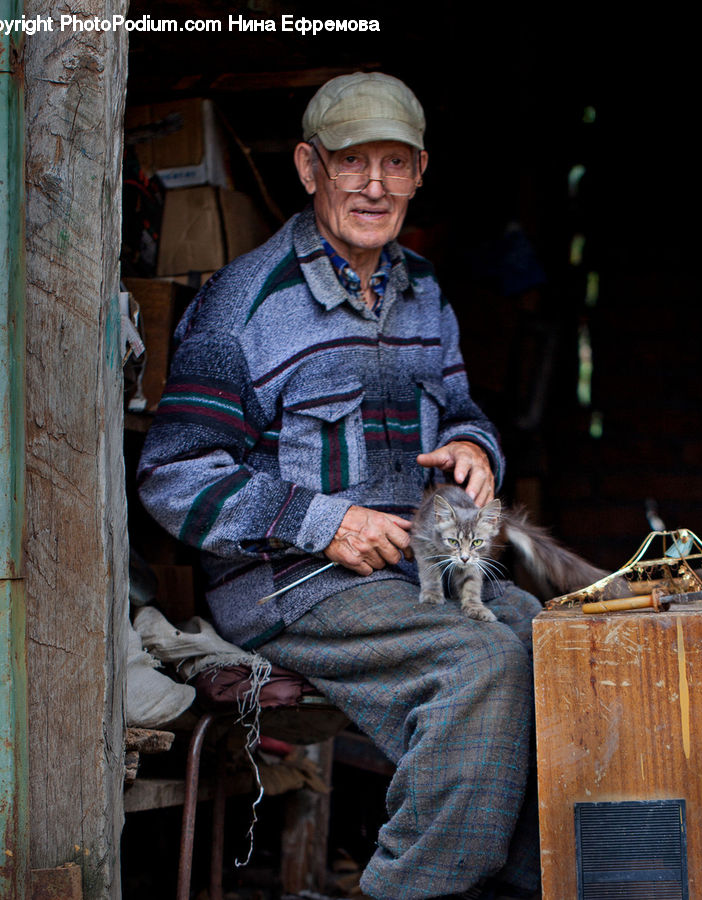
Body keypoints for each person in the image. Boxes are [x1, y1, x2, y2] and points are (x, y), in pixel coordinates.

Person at [138, 72, 541, 900]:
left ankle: (525, 883)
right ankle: (409, 890)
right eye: (352, 162)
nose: (374, 185)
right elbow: (174, 474)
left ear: (421, 171)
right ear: (309, 167)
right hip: (295, 583)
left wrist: (472, 444)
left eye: (395, 163)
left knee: (548, 638)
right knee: (482, 661)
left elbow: (464, 404)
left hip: (404, 575)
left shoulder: (425, 292)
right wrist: (323, 521)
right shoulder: (241, 307)